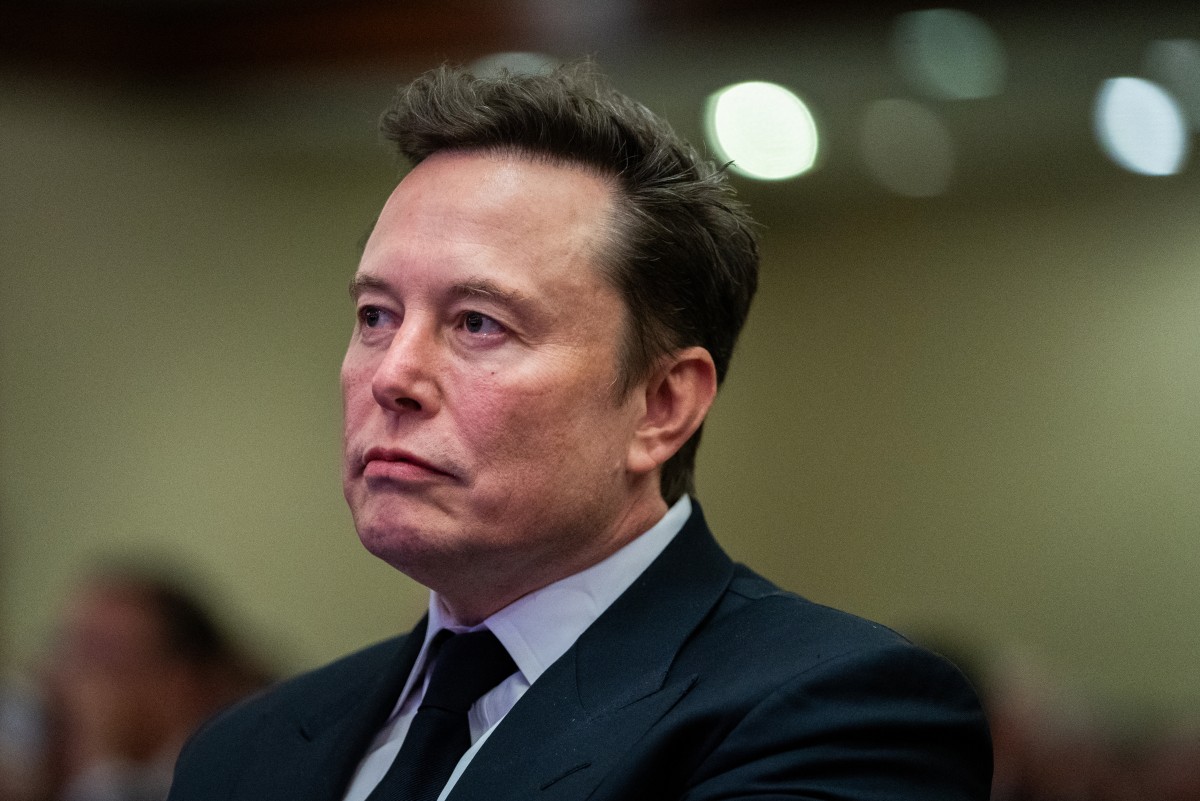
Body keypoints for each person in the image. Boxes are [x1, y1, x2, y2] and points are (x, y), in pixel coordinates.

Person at [168, 62, 992, 800]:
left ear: (662, 405)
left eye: (479, 323)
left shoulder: (840, 717)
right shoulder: (242, 751)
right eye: (376, 314)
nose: (391, 375)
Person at [35, 566, 271, 801]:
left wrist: (98, 765)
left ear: (180, 680)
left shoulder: (232, 775)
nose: (64, 678)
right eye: (65, 651)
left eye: (97, 656)